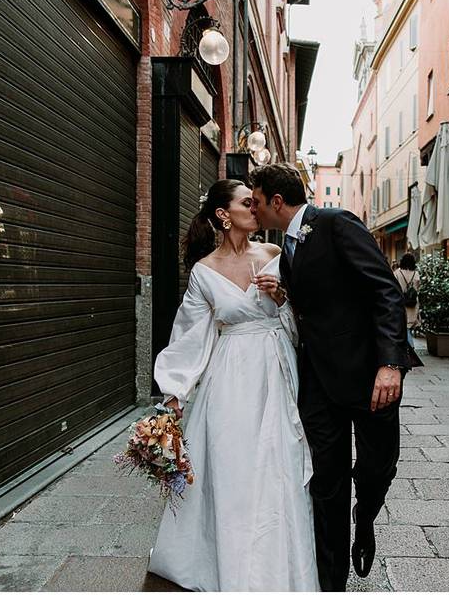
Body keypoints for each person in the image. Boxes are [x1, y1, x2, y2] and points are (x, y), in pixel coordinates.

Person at [148, 179, 319, 591]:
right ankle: (229, 565)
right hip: (229, 380)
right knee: (232, 470)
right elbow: (190, 336)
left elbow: (303, 319)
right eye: (247, 202)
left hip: (276, 373)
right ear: (224, 215)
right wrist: (174, 395)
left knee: (277, 468)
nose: (256, 208)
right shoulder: (204, 272)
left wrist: (282, 299)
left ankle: (275, 571)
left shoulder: (276, 254)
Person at [249, 163, 410, 592]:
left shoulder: (337, 223)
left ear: (277, 201)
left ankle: (367, 516)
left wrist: (390, 364)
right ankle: (331, 578)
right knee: (326, 480)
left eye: (258, 201)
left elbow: (385, 290)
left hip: (368, 377)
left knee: (376, 469)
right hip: (318, 383)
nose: (255, 209)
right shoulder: (286, 246)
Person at [394, 253, 420, 346]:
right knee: (408, 327)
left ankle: (410, 350)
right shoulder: (416, 274)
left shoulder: (397, 273)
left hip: (400, 302)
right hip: (412, 304)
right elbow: (417, 288)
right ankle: (409, 350)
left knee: (404, 328)